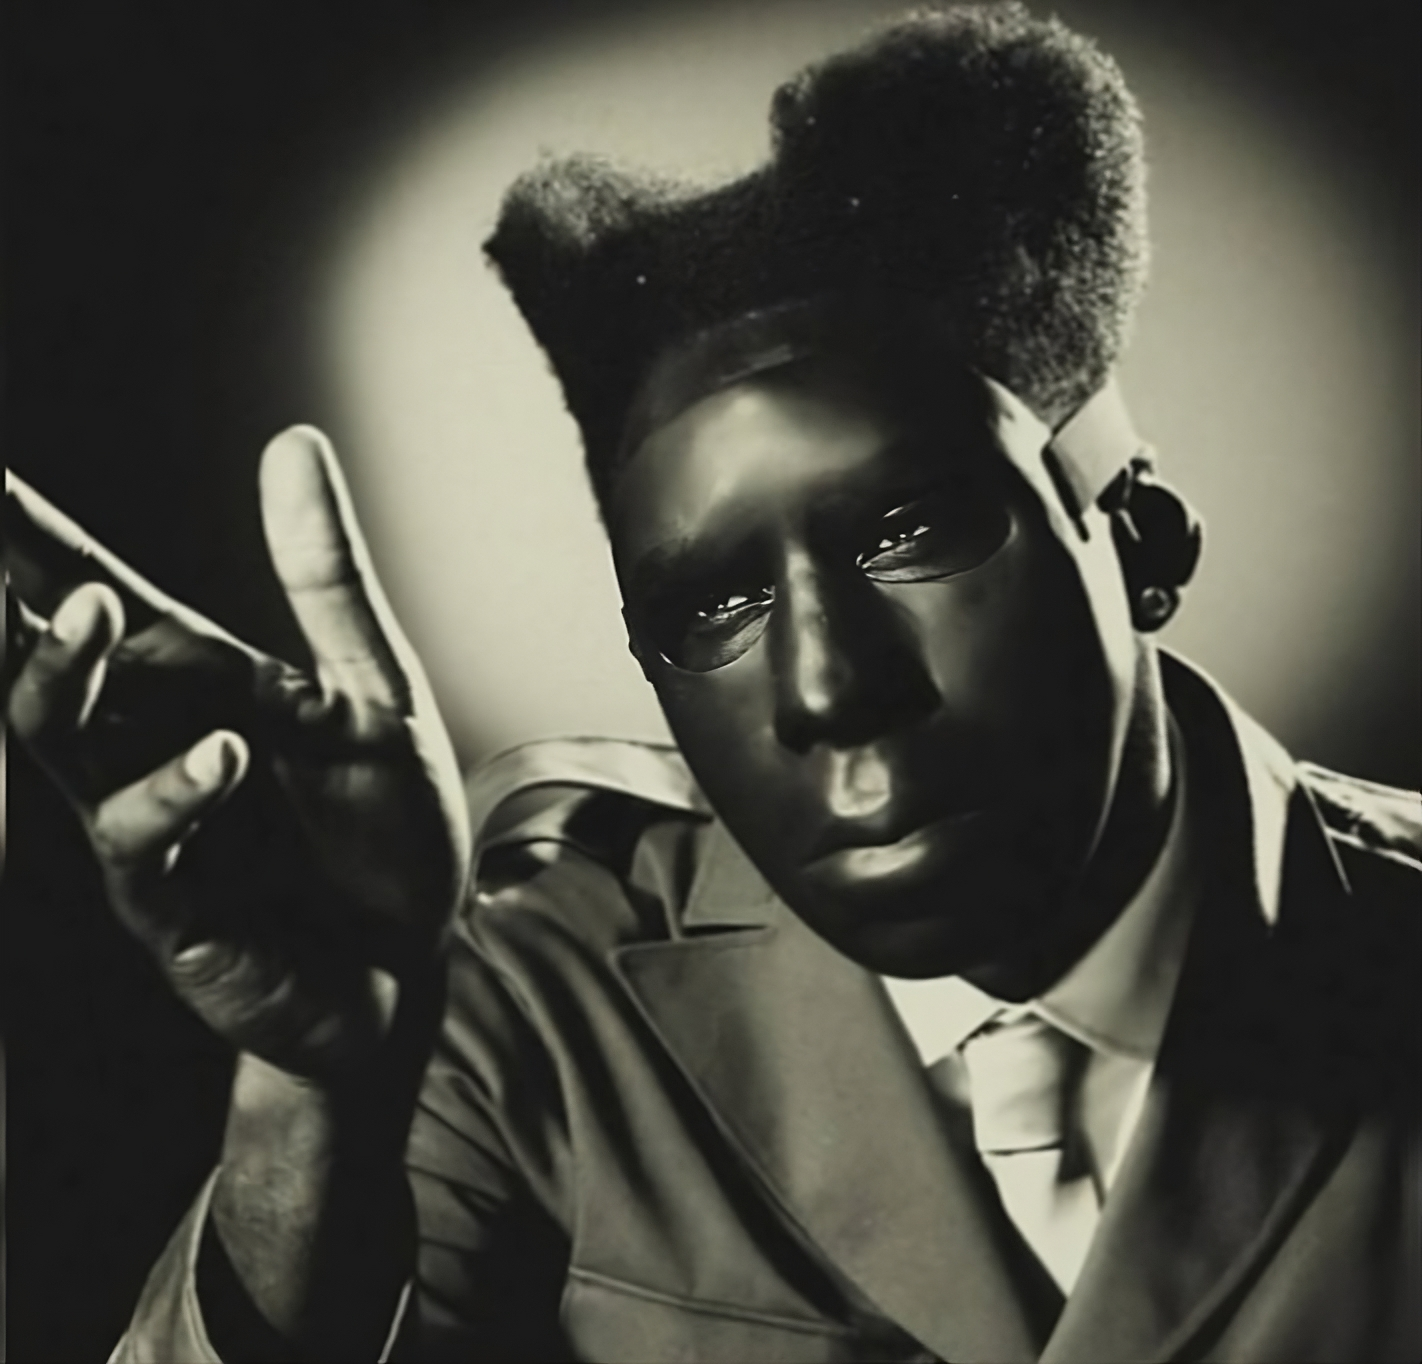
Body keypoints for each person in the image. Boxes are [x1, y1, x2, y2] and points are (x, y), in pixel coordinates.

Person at [5, 5, 1418, 1361]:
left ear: (1142, 541)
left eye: (911, 532)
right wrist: (318, 1096)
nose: (826, 688)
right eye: (713, 608)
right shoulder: (528, 1005)